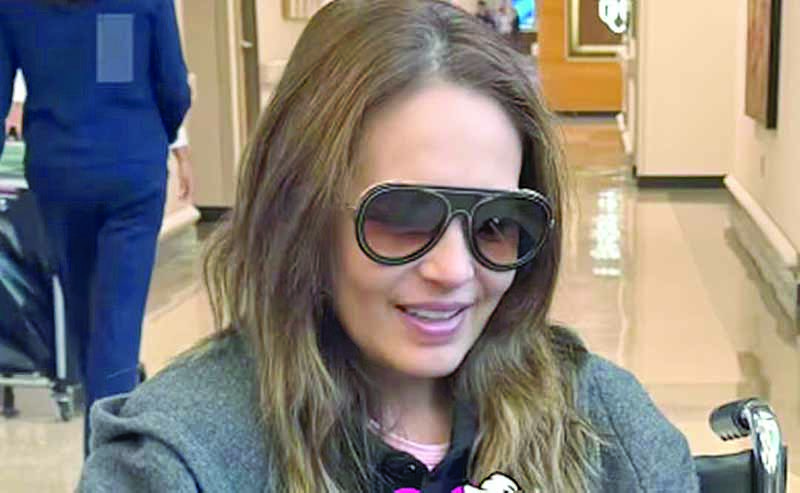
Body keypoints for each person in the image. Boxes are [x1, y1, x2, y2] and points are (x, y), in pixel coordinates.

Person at [78, 1, 698, 491]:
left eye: (495, 224)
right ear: (299, 213)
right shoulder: (176, 463)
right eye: (403, 216)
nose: (454, 270)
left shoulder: (607, 430)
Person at [0, 0, 191, 455]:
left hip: (59, 175)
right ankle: (109, 470)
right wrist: (154, 135)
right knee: (116, 330)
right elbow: (172, 87)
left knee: (88, 319)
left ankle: (105, 449)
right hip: (130, 173)